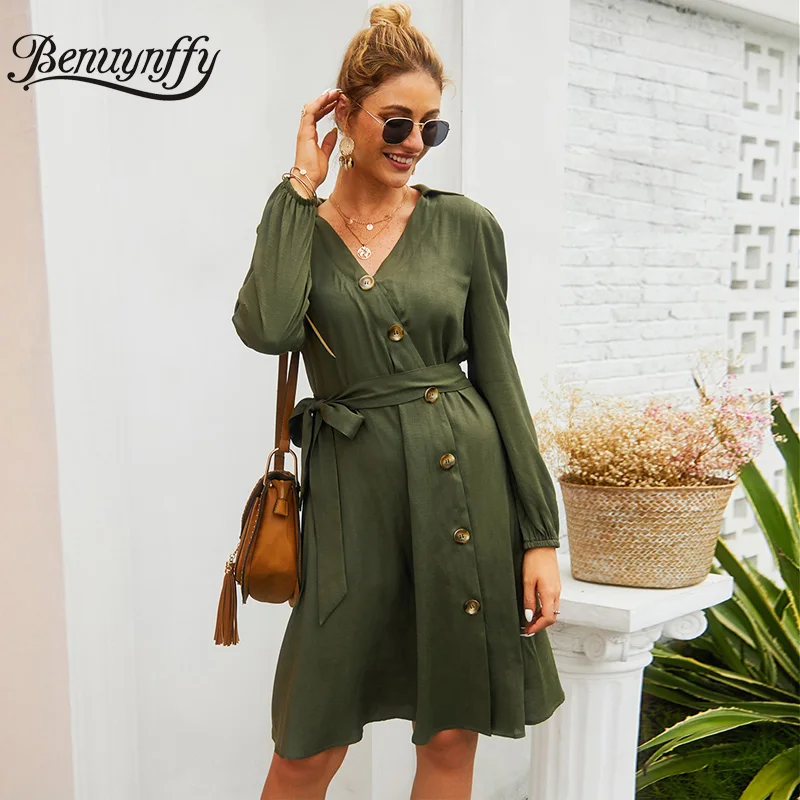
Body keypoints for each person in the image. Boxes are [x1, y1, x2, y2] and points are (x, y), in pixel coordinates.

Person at [231, 4, 565, 798]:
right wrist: (300, 184)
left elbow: (500, 378)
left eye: (430, 127)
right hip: (351, 502)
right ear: (344, 114)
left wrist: (539, 535)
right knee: (308, 746)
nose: (413, 142)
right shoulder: (299, 227)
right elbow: (267, 328)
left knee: (449, 733)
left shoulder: (466, 228)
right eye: (395, 121)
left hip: (464, 489)